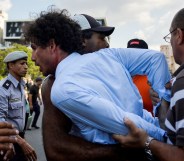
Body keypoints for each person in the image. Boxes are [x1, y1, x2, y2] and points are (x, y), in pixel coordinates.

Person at [24, 8, 170, 157]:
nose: (33, 57)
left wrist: (164, 136)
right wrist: (163, 117)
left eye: (34, 49)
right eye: (102, 37)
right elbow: (157, 59)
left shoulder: (62, 89)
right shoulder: (107, 56)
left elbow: (127, 123)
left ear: (52, 45)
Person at [41, 13, 147, 161]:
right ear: (82, 40)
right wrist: (127, 150)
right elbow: (56, 150)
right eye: (102, 38)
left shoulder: (108, 72)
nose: (107, 44)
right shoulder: (56, 83)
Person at [113, 8, 184, 161]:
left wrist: (146, 141)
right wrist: (165, 102)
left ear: (179, 35)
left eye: (170, 36)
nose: (170, 42)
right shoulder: (174, 84)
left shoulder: (180, 83)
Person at [0, 51, 37, 161]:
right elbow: (1, 120)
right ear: (11, 65)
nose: (26, 67)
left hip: (20, 137)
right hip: (8, 140)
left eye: (26, 64)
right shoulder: (4, 88)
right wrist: (20, 141)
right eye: (22, 64)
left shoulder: (21, 84)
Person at [127, 38, 153, 114]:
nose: (134, 57)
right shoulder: (121, 76)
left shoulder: (154, 78)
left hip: (149, 124)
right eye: (130, 53)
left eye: (138, 53)